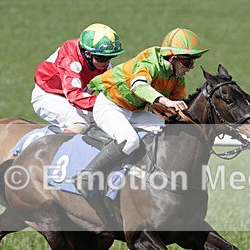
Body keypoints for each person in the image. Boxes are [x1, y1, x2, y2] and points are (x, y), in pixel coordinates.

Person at [76, 27, 209, 195]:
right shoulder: (149, 61)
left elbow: (177, 108)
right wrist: (165, 101)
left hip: (134, 111)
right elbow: (138, 86)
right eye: (188, 62)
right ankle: (86, 175)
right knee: (130, 140)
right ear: (173, 58)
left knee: (171, 132)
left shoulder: (177, 78)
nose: (191, 67)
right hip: (110, 106)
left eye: (193, 62)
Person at [31, 23, 125, 133]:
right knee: (80, 123)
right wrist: (105, 103)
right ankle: (62, 150)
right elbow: (74, 96)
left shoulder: (102, 65)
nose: (106, 62)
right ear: (88, 54)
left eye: (110, 57)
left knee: (108, 120)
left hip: (75, 98)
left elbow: (114, 91)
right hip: (49, 96)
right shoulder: (70, 59)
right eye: (102, 58)